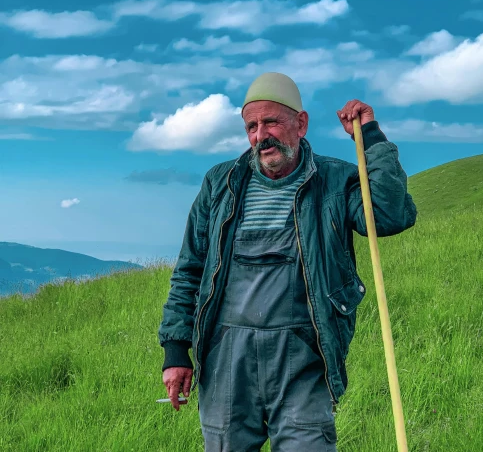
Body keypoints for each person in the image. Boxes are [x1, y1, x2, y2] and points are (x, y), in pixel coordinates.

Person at [159, 72, 417, 451]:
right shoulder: (220, 184)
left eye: (272, 122)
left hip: (303, 358)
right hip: (227, 359)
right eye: (251, 126)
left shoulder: (334, 180)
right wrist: (175, 350)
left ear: (301, 123)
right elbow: (190, 270)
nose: (261, 135)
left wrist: (371, 137)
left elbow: (390, 215)